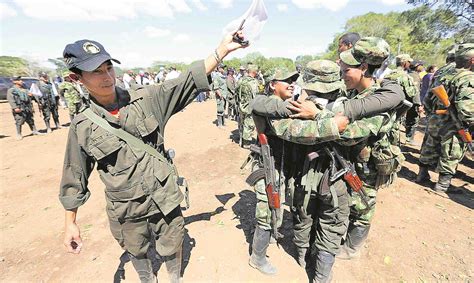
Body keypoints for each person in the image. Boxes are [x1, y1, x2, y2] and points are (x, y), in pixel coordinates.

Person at [59, 32, 247, 282]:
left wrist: (223, 49)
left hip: (164, 197)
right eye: (96, 71)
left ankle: (174, 278)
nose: (107, 76)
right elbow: (74, 175)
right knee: (136, 250)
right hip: (127, 208)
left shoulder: (146, 99)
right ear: (77, 78)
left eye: (108, 67)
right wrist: (70, 223)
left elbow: (186, 81)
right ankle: (148, 279)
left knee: (172, 242)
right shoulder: (82, 126)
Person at [416, 43, 473, 192]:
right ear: (472, 60)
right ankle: (442, 185)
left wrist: (430, 113)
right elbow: (467, 109)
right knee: (452, 150)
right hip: (453, 122)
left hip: (436, 117)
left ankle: (422, 175)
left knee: (430, 145)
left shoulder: (443, 71)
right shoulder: (468, 77)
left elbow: (429, 94)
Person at [384, 54, 420, 144]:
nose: (410, 64)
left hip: (386, 105)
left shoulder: (389, 74)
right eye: (409, 62)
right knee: (393, 130)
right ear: (404, 63)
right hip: (398, 108)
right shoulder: (405, 76)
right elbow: (412, 93)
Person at [236, 64, 260, 147]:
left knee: (241, 122)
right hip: (250, 106)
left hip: (241, 105)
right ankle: (246, 143)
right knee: (249, 124)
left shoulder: (240, 80)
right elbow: (257, 95)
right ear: (254, 72)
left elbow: (236, 91)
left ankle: (241, 140)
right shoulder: (254, 82)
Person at [212, 63, 228, 128]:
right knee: (220, 109)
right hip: (220, 96)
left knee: (223, 109)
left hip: (224, 96)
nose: (223, 69)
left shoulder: (223, 76)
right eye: (222, 68)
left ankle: (223, 122)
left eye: (223, 68)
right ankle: (220, 124)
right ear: (219, 68)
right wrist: (220, 95)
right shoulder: (216, 76)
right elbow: (216, 88)